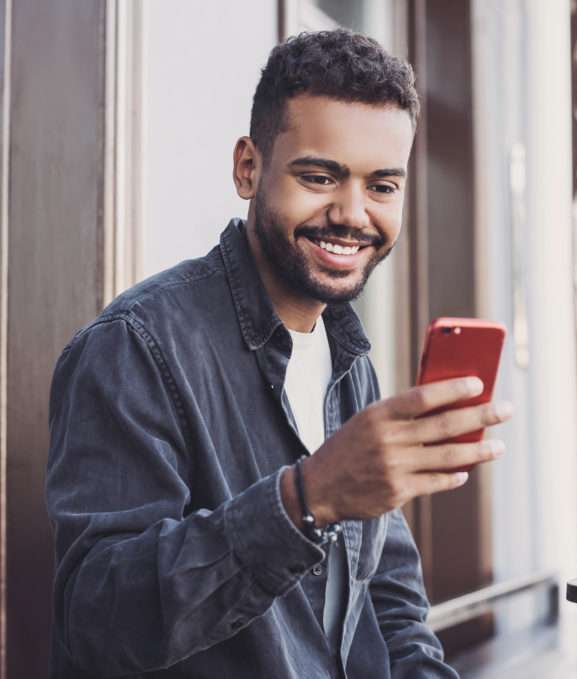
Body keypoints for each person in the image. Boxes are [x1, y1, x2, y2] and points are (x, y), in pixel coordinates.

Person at [45, 28, 509, 678]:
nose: (353, 214)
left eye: (383, 186)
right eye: (320, 176)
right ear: (248, 167)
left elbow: (390, 597)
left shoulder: (351, 363)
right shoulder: (136, 345)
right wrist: (306, 498)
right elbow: (97, 621)